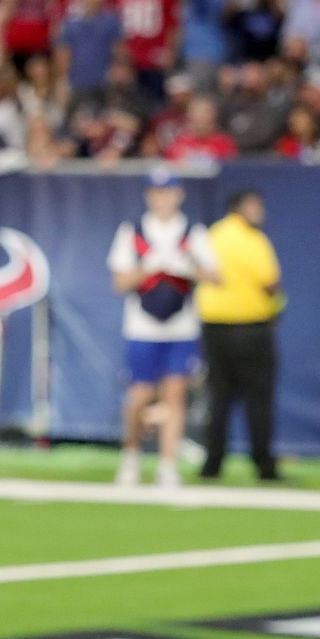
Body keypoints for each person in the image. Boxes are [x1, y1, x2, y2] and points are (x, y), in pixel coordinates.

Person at [107, 166, 219, 489]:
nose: (163, 199)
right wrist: (149, 267)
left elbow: (215, 275)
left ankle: (167, 464)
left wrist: (187, 267)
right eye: (156, 193)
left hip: (180, 327)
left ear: (179, 194)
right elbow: (119, 281)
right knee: (139, 395)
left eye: (168, 192)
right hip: (142, 328)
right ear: (148, 196)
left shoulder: (193, 233)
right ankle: (131, 455)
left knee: (175, 395)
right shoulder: (133, 231)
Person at [197, 188, 284, 480]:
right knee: (258, 399)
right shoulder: (253, 239)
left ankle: (213, 463)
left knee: (218, 397)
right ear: (238, 208)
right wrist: (277, 304)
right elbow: (270, 282)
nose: (260, 211)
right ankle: (264, 464)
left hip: (214, 328)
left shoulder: (211, 236)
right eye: (254, 205)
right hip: (251, 327)